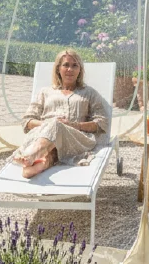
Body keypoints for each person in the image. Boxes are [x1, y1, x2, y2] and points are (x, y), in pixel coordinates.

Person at [12, 49, 108, 179]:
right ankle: (32, 167)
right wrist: (48, 124)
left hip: (76, 139)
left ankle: (30, 155)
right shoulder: (45, 92)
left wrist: (73, 125)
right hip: (42, 134)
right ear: (58, 68)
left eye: (75, 65)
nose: (70, 69)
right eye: (66, 65)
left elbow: (101, 122)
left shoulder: (89, 93)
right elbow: (27, 121)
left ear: (80, 70)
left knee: (57, 125)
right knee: (42, 158)